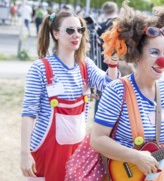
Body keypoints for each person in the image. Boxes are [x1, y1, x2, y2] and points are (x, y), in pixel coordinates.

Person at [90, 1, 164, 180]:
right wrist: (135, 156)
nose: (163, 61)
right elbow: (97, 140)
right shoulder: (117, 90)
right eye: (154, 52)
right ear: (137, 55)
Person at [20, 11, 119, 180]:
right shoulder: (40, 68)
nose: (77, 35)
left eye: (80, 30)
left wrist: (112, 64)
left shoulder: (85, 65)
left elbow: (110, 86)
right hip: (46, 152)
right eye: (70, 30)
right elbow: (29, 113)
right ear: (56, 33)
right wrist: (24, 153)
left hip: (78, 151)